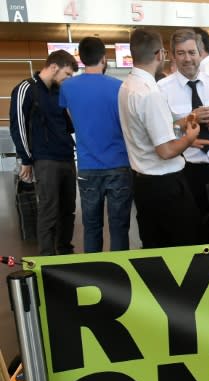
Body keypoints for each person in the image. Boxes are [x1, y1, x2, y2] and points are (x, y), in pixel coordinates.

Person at [118, 28, 209, 248]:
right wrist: (189, 136)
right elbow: (166, 151)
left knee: (154, 247)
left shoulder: (127, 86)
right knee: (183, 246)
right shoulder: (150, 93)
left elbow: (151, 132)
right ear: (161, 54)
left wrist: (181, 133)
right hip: (165, 187)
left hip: (144, 183)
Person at [59, 37, 132, 253]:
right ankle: (121, 278)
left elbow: (73, 119)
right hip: (119, 163)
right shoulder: (120, 87)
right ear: (104, 58)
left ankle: (95, 275)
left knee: (91, 227)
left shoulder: (68, 87)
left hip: (87, 166)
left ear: (80, 58)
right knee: (119, 227)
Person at [159, 28, 209, 222]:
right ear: (173, 56)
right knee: (189, 227)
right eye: (181, 53)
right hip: (184, 169)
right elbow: (163, 133)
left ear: (200, 54)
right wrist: (189, 120)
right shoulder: (162, 89)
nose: (187, 59)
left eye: (192, 52)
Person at [9, 49, 78, 256]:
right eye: (67, 74)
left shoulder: (59, 93)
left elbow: (68, 126)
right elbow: (18, 126)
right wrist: (26, 159)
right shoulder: (26, 88)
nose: (67, 79)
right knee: (48, 209)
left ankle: (65, 250)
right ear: (54, 67)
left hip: (66, 157)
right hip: (44, 159)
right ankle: (47, 256)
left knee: (68, 210)